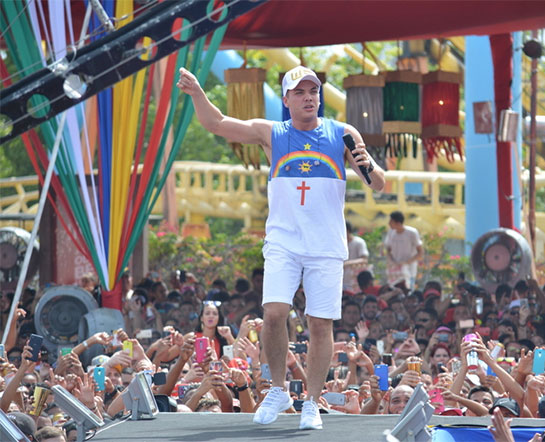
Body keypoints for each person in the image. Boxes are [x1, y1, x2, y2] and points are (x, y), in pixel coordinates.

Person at [177, 65, 385, 430]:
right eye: (300, 92)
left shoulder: (342, 134)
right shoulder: (272, 133)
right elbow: (219, 123)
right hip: (284, 242)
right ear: (286, 100)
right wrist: (197, 93)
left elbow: (379, 184)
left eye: (313, 92)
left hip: (325, 246)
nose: (309, 98)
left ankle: (311, 402)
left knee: (320, 324)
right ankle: (277, 389)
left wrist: (368, 164)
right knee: (274, 313)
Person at [384, 211, 423, 289]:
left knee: (408, 290)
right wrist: (391, 261)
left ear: (398, 223)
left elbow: (420, 252)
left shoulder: (412, 233)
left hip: (409, 269)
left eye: (391, 221)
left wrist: (406, 263)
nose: (389, 223)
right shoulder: (391, 232)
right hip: (395, 269)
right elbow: (388, 249)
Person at [343, 221, 370, 292]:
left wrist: (347, 263)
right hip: (343, 281)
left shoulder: (359, 242)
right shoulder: (340, 244)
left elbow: (364, 259)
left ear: (347, 231)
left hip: (356, 282)